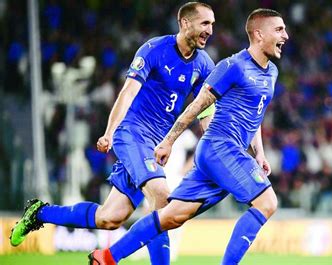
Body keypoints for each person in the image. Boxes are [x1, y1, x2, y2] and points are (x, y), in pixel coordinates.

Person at [10, 2, 216, 265]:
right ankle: (112, 259)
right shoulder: (154, 49)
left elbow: (203, 110)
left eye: (212, 25)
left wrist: (210, 144)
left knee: (109, 217)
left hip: (154, 145)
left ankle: (39, 214)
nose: (210, 30)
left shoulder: (205, 64)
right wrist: (109, 132)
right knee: (162, 199)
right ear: (185, 23)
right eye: (205, 23)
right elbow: (127, 92)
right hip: (132, 135)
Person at [88, 8, 289, 265]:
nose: (286, 35)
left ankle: (105, 257)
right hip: (220, 147)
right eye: (279, 29)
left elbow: (255, 115)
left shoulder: (271, 72)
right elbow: (197, 106)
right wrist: (169, 141)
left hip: (230, 151)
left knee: (170, 216)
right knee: (267, 202)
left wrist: (259, 152)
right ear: (259, 34)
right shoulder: (232, 66)